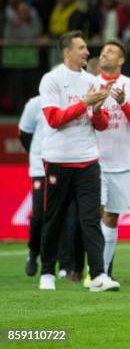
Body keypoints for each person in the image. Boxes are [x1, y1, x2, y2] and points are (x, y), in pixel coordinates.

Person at [38, 30, 119, 292]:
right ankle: (48, 271)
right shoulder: (51, 80)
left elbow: (103, 125)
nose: (87, 52)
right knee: (55, 218)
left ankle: (97, 275)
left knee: (90, 218)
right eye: (82, 48)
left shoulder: (91, 81)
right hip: (58, 160)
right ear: (67, 51)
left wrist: (96, 109)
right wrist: (85, 103)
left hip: (87, 160)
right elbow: (54, 119)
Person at [95, 39, 130, 278]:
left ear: (121, 59)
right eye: (102, 51)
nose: (104, 54)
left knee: (111, 217)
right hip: (94, 161)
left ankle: (103, 270)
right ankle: (96, 270)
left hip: (122, 161)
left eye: (110, 51)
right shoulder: (91, 85)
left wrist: (122, 103)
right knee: (96, 214)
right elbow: (93, 124)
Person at [19, 95, 47, 277]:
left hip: (64, 165)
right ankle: (33, 252)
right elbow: (24, 134)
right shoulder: (35, 103)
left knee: (65, 216)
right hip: (40, 167)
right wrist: (35, 154)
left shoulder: (72, 102)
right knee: (38, 214)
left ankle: (65, 265)